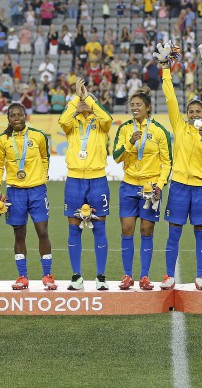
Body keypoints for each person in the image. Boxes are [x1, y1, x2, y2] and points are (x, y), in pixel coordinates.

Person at [159, 61, 202, 290]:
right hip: (179, 186)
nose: (194, 114)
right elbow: (170, 98)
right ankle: (168, 276)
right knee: (174, 232)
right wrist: (166, 70)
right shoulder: (179, 126)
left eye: (198, 112)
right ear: (186, 115)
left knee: (201, 232)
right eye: (191, 111)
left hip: (201, 187)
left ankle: (201, 276)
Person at [112, 87, 172, 290]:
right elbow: (116, 156)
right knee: (127, 229)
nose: (135, 108)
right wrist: (130, 143)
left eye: (139, 105)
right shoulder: (124, 129)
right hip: (129, 185)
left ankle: (144, 276)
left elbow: (167, 162)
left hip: (150, 187)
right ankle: (127, 276)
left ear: (148, 107)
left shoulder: (159, 131)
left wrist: (160, 186)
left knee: (147, 230)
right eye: (133, 105)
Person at [0, 102, 56, 290]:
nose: (16, 118)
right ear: (8, 119)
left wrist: (43, 175)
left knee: (42, 232)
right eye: (12, 116)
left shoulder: (38, 136)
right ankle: (22, 277)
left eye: (19, 115)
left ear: (25, 116)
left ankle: (47, 276)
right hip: (15, 192)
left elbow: (45, 157)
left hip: (37, 191)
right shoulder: (3, 140)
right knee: (19, 235)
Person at [59, 78, 113, 291]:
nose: (82, 103)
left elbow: (107, 118)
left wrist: (88, 99)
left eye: (86, 101)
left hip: (97, 180)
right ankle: (76, 276)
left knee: (99, 227)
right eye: (80, 100)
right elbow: (63, 121)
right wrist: (75, 98)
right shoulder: (71, 124)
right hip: (74, 181)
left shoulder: (101, 124)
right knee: (74, 229)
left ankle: (100, 276)